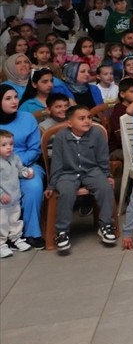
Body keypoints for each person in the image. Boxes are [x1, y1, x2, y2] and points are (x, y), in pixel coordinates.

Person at [49, 105, 118, 254]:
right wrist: (51, 185)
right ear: (69, 123)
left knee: (104, 188)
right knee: (66, 192)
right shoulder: (61, 137)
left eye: (89, 118)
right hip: (67, 173)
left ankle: (106, 225)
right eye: (81, 118)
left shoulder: (97, 134)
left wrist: (107, 175)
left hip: (92, 171)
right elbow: (56, 163)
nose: (87, 121)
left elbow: (103, 158)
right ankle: (62, 232)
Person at [0, 86, 44, 249]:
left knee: (34, 186)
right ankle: (4, 237)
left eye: (15, 97)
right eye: (8, 98)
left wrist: (17, 166)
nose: (14, 102)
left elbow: (34, 149)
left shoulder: (27, 118)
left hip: (26, 163)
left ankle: (31, 234)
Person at [0, 129, 33, 256]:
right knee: (2, 222)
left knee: (15, 219)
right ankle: (1, 244)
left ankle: (15, 239)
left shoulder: (14, 157)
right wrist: (1, 194)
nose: (9, 147)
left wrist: (26, 173)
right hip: (2, 201)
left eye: (11, 144)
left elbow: (20, 169)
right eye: (4, 145)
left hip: (14, 197)